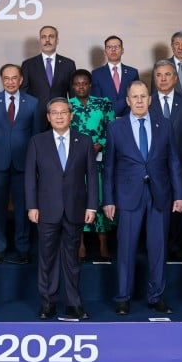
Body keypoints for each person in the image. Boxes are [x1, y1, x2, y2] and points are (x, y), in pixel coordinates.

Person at [102, 81, 182, 316]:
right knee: (126, 249)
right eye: (134, 97)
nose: (139, 101)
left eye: (143, 96)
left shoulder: (165, 125)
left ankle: (156, 296)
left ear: (150, 99)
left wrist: (180, 195)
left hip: (160, 195)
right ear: (127, 101)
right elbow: (109, 167)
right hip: (128, 196)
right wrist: (108, 200)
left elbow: (174, 162)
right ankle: (123, 297)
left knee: (158, 249)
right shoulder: (115, 128)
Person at [25, 98, 97, 320]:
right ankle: (48, 304)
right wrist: (31, 206)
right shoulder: (38, 141)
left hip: (75, 209)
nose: (58, 116)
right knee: (47, 259)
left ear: (71, 115)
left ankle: (74, 303)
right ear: (48, 117)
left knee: (72, 260)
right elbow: (30, 178)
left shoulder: (84, 141)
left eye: (63, 112)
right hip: (46, 209)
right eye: (54, 113)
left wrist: (92, 206)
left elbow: (92, 177)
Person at [0, 64, 41, 264]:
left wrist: (36, 165)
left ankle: (23, 247)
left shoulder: (32, 103)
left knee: (23, 207)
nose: (10, 81)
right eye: (6, 78)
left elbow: (36, 137)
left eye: (14, 78)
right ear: (1, 80)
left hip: (24, 165)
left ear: (21, 80)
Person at [149, 60, 182, 264]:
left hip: (180, 163)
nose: (163, 79)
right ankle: (157, 246)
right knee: (156, 206)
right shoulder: (147, 101)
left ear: (175, 78)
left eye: (167, 75)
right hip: (153, 165)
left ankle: (176, 246)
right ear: (154, 79)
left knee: (178, 206)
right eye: (159, 75)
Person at [68, 69, 115, 260]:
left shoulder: (103, 104)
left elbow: (112, 130)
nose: (81, 86)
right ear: (72, 86)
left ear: (90, 85)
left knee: (101, 198)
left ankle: (103, 244)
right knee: (79, 200)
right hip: (76, 163)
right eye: (77, 83)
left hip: (100, 161)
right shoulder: (67, 106)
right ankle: (81, 244)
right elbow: (62, 132)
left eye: (84, 83)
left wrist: (100, 145)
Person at [20, 25, 76, 130]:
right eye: (43, 37)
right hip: (36, 118)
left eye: (51, 36)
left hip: (61, 119)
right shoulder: (28, 65)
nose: (47, 40)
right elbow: (23, 94)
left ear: (57, 40)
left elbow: (73, 96)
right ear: (40, 40)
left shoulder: (68, 64)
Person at [91, 36, 138, 118]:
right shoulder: (96, 74)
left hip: (129, 120)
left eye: (117, 46)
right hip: (106, 121)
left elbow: (136, 98)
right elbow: (97, 103)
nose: (113, 50)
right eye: (109, 47)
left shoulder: (132, 73)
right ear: (105, 51)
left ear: (122, 50)